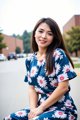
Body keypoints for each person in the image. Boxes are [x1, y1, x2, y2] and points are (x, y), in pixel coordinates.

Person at [4, 17, 78, 120]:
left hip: (62, 109)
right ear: (34, 33)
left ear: (54, 38)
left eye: (50, 33)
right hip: (41, 107)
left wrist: (41, 108)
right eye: (41, 31)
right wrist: (33, 110)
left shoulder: (58, 54)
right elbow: (32, 88)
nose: (44, 36)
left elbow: (63, 87)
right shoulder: (30, 60)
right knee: (10, 118)